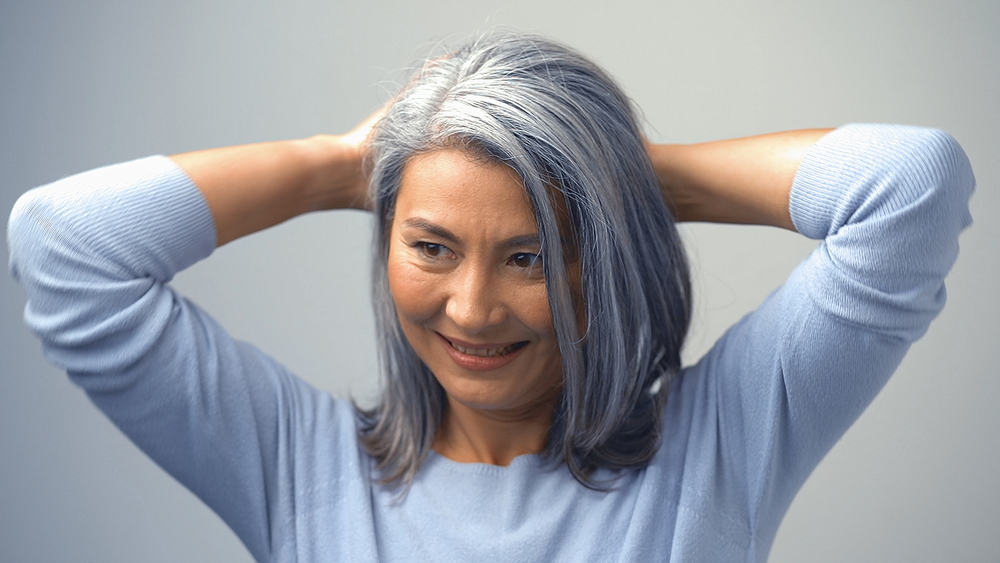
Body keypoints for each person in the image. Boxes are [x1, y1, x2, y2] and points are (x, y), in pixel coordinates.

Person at [7, 32, 974, 561]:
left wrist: (618, 190)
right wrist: (341, 163)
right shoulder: (297, 469)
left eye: (530, 256)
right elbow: (64, 244)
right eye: (431, 245)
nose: (470, 308)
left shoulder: (720, 444)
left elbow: (910, 185)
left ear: (605, 260)